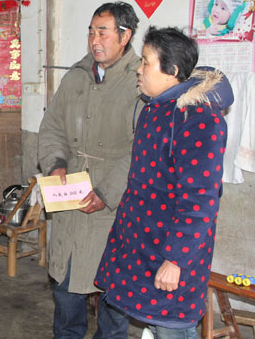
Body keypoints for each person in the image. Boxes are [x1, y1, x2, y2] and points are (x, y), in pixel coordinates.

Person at [95, 27, 233, 339]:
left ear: (171, 71)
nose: (138, 69)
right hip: (142, 244)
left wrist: (176, 260)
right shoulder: (156, 108)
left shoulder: (198, 119)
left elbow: (200, 200)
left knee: (171, 327)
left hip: (169, 252)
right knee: (153, 325)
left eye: (146, 62)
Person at [38, 1, 141, 338]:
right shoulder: (76, 76)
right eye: (91, 32)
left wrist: (106, 193)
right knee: (66, 290)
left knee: (113, 300)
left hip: (114, 207)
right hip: (72, 201)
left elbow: (141, 150)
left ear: (124, 36)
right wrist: (56, 163)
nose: (95, 40)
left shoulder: (140, 81)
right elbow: (52, 126)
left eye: (103, 32)